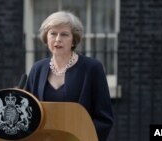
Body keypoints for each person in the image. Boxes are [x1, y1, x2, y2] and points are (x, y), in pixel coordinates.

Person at [25, 11, 114, 141]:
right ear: (46, 37)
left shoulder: (92, 68)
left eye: (64, 34)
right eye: (53, 33)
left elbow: (104, 118)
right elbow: (29, 112)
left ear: (73, 40)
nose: (58, 39)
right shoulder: (37, 69)